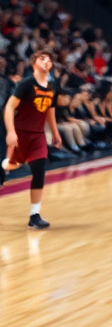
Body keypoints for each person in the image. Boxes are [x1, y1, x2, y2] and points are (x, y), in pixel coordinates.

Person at [0, 50, 60, 228]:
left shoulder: (51, 87)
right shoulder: (25, 84)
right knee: (6, 169)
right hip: (17, 131)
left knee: (39, 167)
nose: (46, 62)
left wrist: (55, 133)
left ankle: (35, 215)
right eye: (42, 59)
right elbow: (9, 108)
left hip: (35, 134)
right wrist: (11, 131)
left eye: (48, 60)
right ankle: (4, 165)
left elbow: (50, 110)